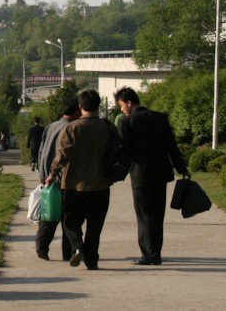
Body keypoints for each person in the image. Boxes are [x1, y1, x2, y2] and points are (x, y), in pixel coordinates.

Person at [115, 86, 189, 266]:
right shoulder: (160, 118)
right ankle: (155, 251)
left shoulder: (126, 123)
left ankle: (149, 254)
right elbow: (171, 146)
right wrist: (182, 168)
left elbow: (124, 152)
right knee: (157, 214)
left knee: (144, 215)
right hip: (161, 173)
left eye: (121, 105)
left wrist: (116, 173)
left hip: (140, 175)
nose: (122, 109)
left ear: (129, 103)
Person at [45, 90, 113, 270]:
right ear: (98, 105)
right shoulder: (107, 127)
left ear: (80, 107)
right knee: (95, 226)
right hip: (101, 184)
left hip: (75, 185)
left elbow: (63, 155)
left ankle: (76, 247)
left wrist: (52, 175)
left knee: (70, 222)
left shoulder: (72, 128)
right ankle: (92, 260)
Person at [35, 97, 80, 261]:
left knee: (48, 216)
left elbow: (41, 152)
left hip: (48, 178)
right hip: (65, 179)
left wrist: (42, 175)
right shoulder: (73, 128)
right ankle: (67, 253)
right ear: (75, 111)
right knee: (68, 218)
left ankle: (41, 248)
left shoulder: (50, 127)